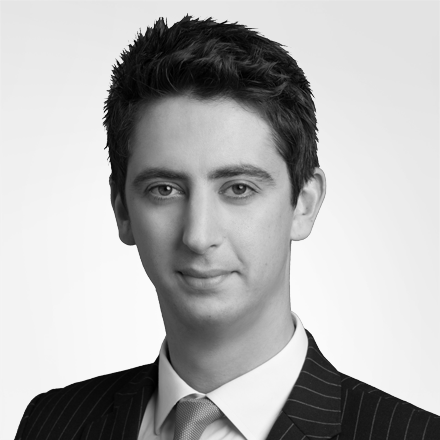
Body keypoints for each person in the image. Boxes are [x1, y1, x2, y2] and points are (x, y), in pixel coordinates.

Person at [14, 15, 439, 440]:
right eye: (165, 190)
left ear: (304, 204)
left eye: (238, 188)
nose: (198, 237)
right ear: (122, 209)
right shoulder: (51, 423)